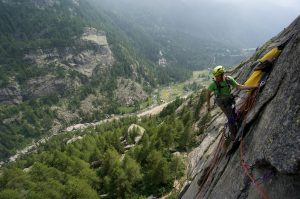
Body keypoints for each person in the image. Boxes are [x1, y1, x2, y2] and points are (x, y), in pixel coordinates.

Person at [206, 65, 257, 139]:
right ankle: (233, 134)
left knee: (233, 112)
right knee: (230, 117)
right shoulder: (213, 84)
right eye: (215, 76)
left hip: (229, 100)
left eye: (218, 76)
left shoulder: (228, 79)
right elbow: (208, 94)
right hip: (222, 103)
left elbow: (239, 86)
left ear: (222, 74)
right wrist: (208, 105)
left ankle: (235, 122)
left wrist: (252, 87)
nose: (216, 78)